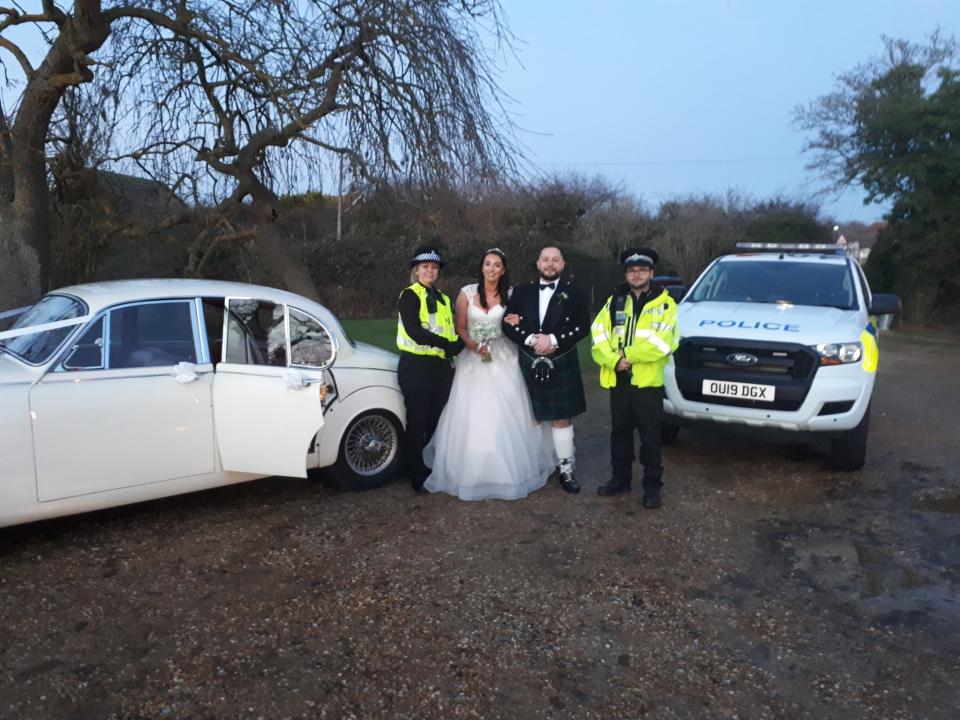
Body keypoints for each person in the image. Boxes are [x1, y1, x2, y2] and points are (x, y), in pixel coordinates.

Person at [424, 249, 555, 500]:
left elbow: (522, 322)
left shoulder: (512, 294)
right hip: (473, 356)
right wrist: (472, 345)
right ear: (482, 267)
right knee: (471, 411)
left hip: (503, 355)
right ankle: (470, 470)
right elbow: (460, 326)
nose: (491, 269)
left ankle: (506, 472)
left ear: (503, 269)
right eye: (487, 264)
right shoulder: (467, 293)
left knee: (505, 410)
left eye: (497, 265)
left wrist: (518, 321)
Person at [590, 247, 679, 508]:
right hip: (618, 379)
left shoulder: (665, 305)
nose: (636, 274)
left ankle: (652, 487)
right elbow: (598, 335)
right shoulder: (614, 301)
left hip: (647, 383)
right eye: (631, 270)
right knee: (620, 433)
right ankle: (620, 479)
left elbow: (664, 343)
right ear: (626, 273)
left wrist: (627, 354)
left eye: (642, 270)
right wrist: (614, 360)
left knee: (650, 436)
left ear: (651, 272)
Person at [501, 245, 590, 493]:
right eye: (545, 260)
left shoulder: (575, 292)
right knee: (532, 417)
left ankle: (566, 469)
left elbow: (583, 327)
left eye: (555, 260)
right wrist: (531, 339)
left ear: (563, 264)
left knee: (562, 418)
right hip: (529, 359)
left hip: (561, 359)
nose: (550, 264)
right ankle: (535, 465)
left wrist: (552, 340)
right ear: (538, 263)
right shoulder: (521, 292)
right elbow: (507, 324)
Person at [396, 246, 464, 493]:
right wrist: (448, 345)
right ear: (416, 270)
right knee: (417, 420)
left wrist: (460, 343)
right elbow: (415, 331)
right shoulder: (409, 295)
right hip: (416, 365)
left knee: (435, 419)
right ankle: (415, 474)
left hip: (441, 367)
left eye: (434, 267)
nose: (430, 271)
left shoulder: (445, 298)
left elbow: (452, 330)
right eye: (425, 267)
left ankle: (426, 464)